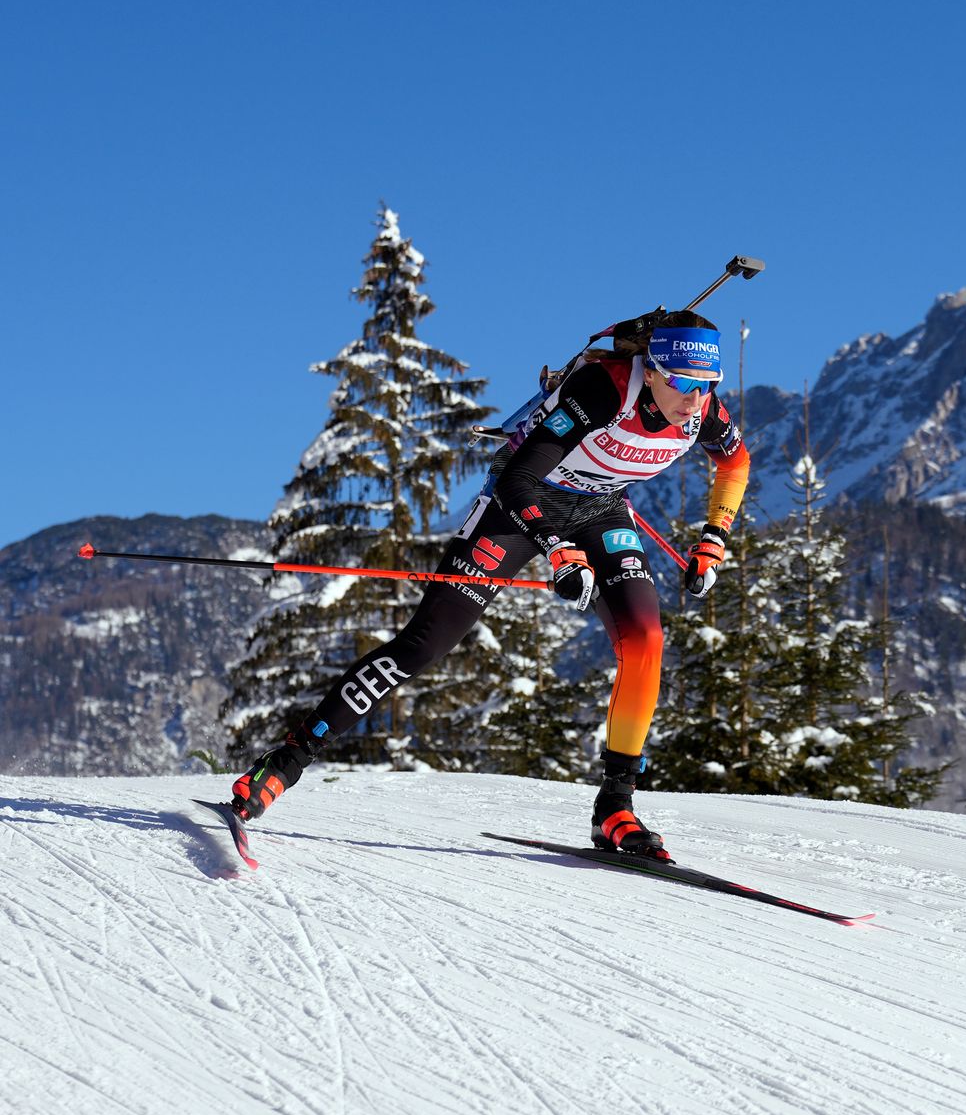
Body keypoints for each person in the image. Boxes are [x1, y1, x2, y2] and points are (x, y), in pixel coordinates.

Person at [227, 308, 749, 861]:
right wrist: (558, 550)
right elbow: (519, 476)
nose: (695, 399)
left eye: (707, 384)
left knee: (645, 639)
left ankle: (615, 808)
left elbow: (735, 463)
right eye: (685, 383)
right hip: (522, 506)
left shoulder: (702, 413)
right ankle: (284, 761)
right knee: (424, 643)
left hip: (600, 510)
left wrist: (713, 538)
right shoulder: (603, 390)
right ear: (656, 369)